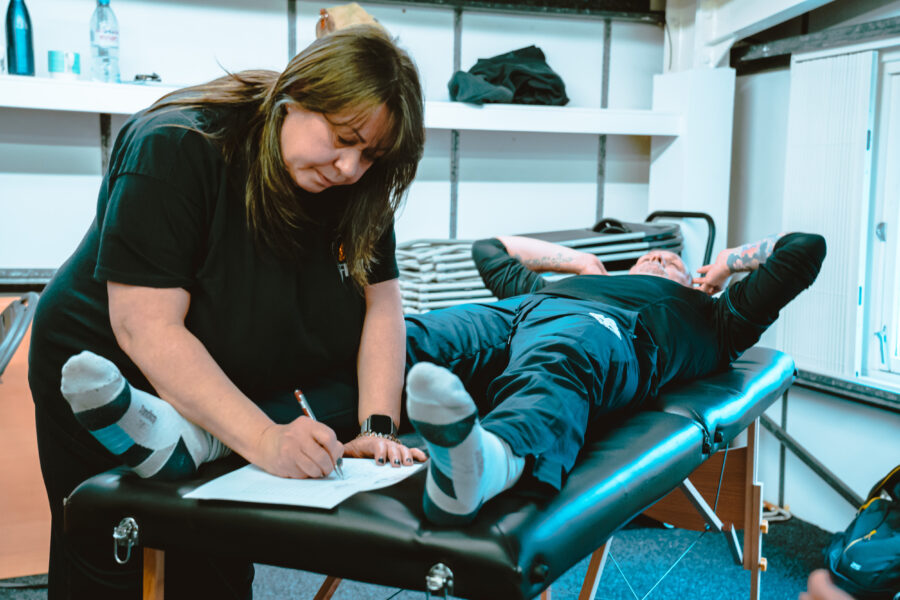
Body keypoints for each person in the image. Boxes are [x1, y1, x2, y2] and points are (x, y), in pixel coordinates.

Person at [28, 25, 425, 599]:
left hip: (217, 363)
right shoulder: (178, 145)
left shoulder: (360, 186)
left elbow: (382, 305)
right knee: (116, 555)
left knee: (216, 561)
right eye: (342, 138)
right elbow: (146, 325)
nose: (349, 168)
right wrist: (266, 440)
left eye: (371, 154)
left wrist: (375, 429)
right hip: (104, 370)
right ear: (296, 94)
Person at [403, 231, 825, 524]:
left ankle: (487, 465)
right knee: (414, 334)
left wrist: (726, 263)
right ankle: (349, 414)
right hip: (523, 310)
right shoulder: (570, 282)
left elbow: (804, 249)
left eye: (674, 261)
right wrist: (582, 263)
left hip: (608, 331)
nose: (659, 257)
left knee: (562, 356)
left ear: (699, 283)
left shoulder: (716, 318)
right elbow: (490, 249)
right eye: (648, 256)